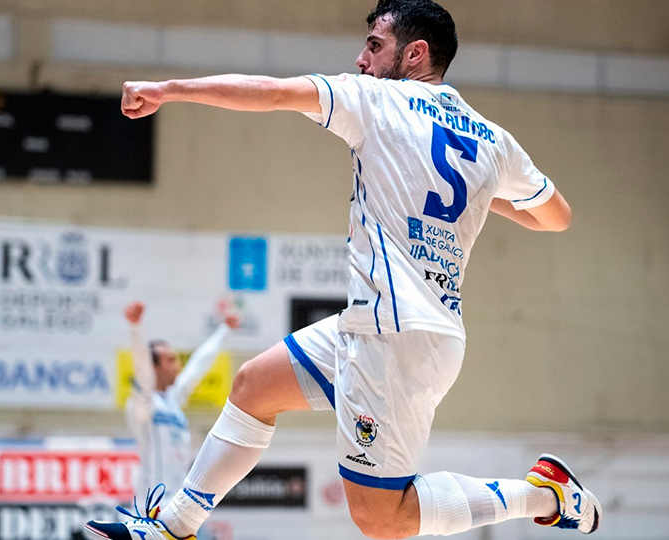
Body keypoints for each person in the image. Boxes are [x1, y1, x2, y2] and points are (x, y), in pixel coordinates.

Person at [85, 1, 601, 538]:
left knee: (382, 518)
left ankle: (542, 496)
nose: (361, 58)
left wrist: (170, 89)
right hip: (380, 325)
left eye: (375, 45)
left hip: (397, 340)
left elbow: (272, 92)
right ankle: (173, 526)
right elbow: (556, 216)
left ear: (415, 52)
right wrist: (486, 193)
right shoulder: (493, 139)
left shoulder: (375, 99)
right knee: (254, 386)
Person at [122, 300, 240, 499]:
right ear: (154, 367)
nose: (176, 365)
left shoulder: (173, 400)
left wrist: (224, 331)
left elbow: (197, 366)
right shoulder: (143, 404)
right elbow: (142, 371)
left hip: (176, 503)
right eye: (169, 360)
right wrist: (136, 328)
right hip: (150, 507)